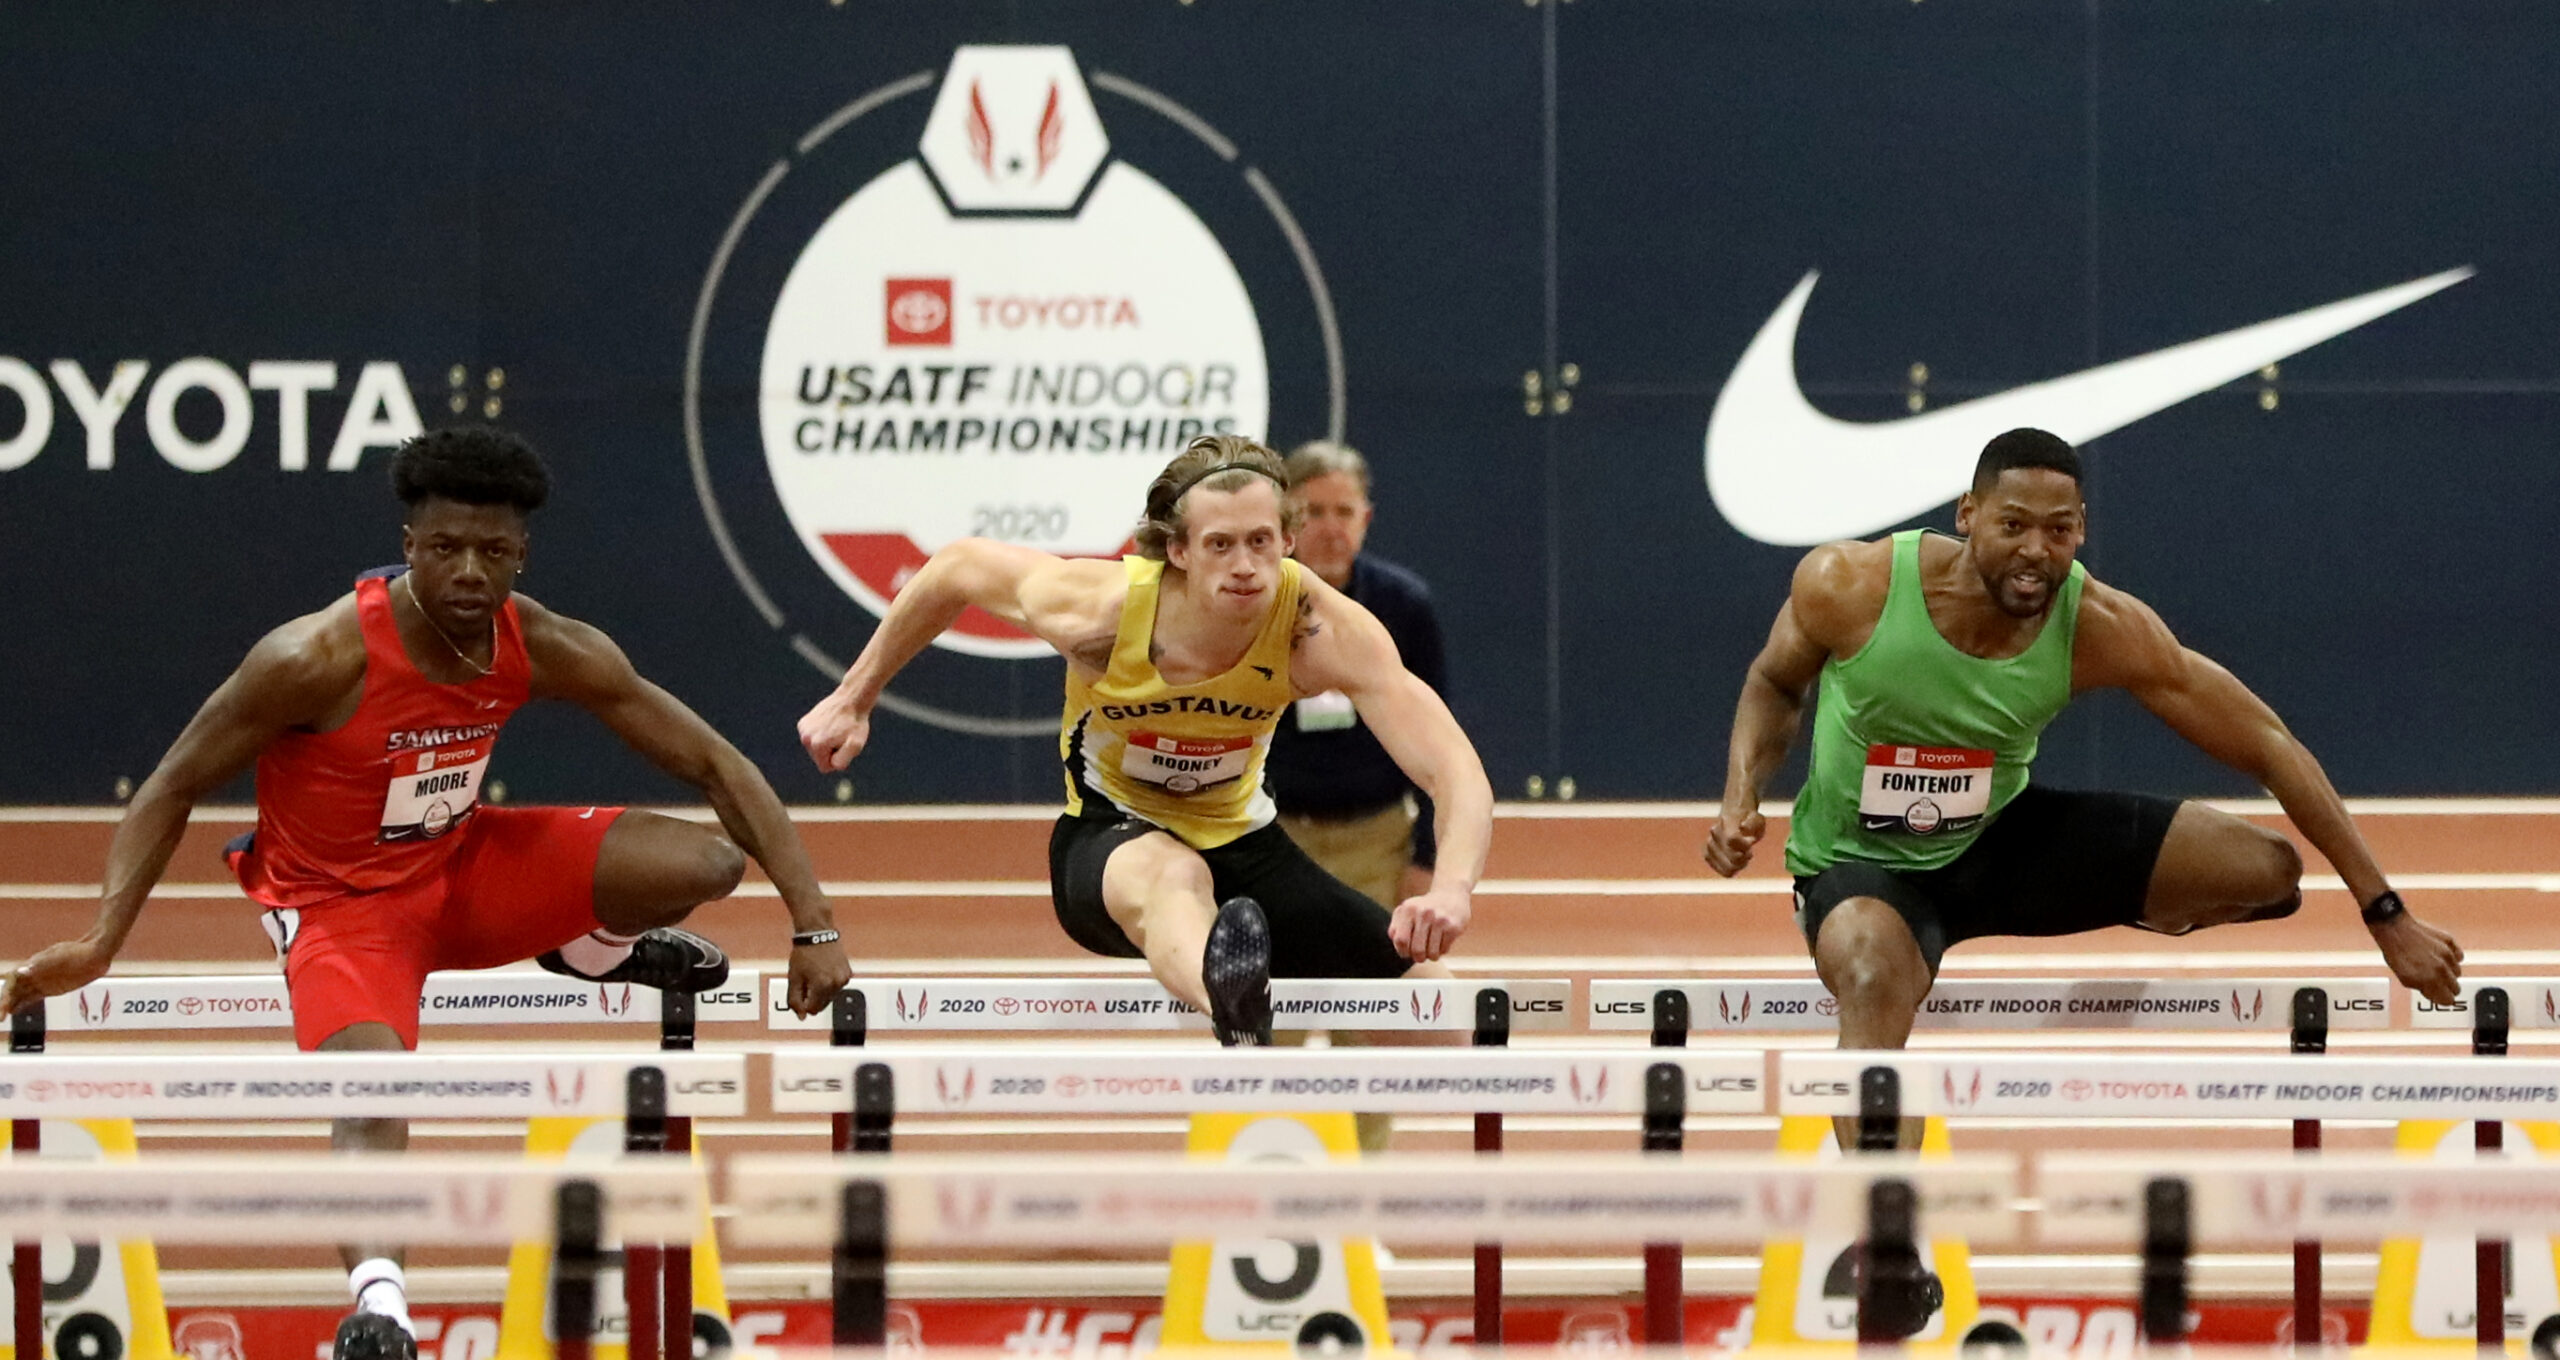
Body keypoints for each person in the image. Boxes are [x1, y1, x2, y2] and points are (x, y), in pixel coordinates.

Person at [0, 428, 853, 1360]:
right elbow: (168, 785)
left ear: (521, 555)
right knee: (375, 1084)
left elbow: (714, 761)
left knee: (706, 865)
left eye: (493, 553)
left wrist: (813, 922)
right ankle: (381, 1305)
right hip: (339, 907)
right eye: (445, 548)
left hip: (463, 865)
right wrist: (99, 941)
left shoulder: (544, 642)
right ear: (408, 547)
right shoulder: (313, 658)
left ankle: (587, 947)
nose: (469, 573)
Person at [1706, 426, 2464, 1118]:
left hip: (2000, 845)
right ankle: (1891, 1246)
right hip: (1861, 866)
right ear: (1968, 514)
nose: (2037, 550)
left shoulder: (2098, 625)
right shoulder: (1851, 585)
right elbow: (1774, 683)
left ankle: (2148, 904)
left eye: (2059, 530)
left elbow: (2267, 743)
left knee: (2268, 871)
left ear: (2082, 531)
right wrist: (1741, 796)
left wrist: (2385, 912)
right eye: (2014, 525)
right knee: (1872, 976)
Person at [796, 434, 1493, 1045]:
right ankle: (1233, 1002)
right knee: (1172, 875)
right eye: (1220, 545)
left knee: (1438, 1006)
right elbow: (956, 567)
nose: (1245, 566)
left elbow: (1452, 766)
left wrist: (1453, 889)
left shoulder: (1317, 626)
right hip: (1110, 844)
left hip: (1243, 841)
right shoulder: (1100, 611)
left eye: (1260, 542)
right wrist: (853, 698)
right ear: (1179, 550)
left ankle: (1502, 1151)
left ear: (1287, 540)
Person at [1267, 440, 1449, 910]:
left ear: (1365, 520)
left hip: (1377, 846)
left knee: (1389, 980)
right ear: (1286, 521)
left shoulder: (1403, 606)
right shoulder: (1253, 604)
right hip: (1272, 840)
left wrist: (1427, 861)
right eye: (1314, 512)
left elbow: (1437, 740)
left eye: (1343, 512)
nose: (1330, 529)